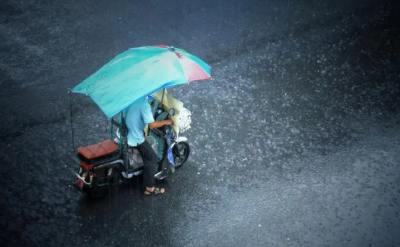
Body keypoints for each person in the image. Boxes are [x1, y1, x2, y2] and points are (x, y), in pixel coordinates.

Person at [124, 96, 173, 195]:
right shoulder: (144, 105)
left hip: (128, 132)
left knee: (147, 155)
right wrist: (166, 121)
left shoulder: (133, 99)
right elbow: (152, 125)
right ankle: (150, 188)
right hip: (136, 138)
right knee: (152, 159)